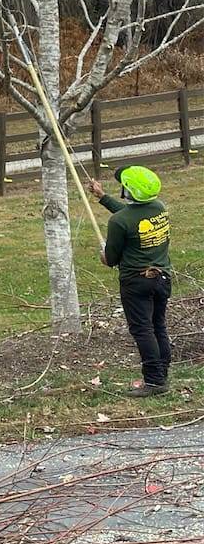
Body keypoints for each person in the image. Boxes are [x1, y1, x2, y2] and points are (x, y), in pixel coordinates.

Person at [91, 164, 173, 396]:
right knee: (158, 325)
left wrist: (104, 255)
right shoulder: (159, 207)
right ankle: (161, 374)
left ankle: (155, 383)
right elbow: (130, 215)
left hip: (136, 282)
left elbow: (111, 259)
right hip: (162, 278)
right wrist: (103, 197)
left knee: (142, 329)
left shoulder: (118, 223)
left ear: (129, 192)